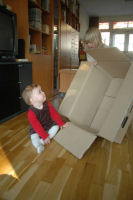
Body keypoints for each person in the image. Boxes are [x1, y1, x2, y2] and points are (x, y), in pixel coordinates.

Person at [22, 84, 70, 154]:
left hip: (48, 124)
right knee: (34, 136)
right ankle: (38, 145)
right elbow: (36, 126)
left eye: (41, 90)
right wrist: (44, 136)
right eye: (39, 92)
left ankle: (42, 142)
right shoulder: (31, 113)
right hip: (37, 130)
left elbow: (54, 114)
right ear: (32, 100)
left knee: (56, 127)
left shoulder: (47, 104)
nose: (43, 92)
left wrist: (61, 123)